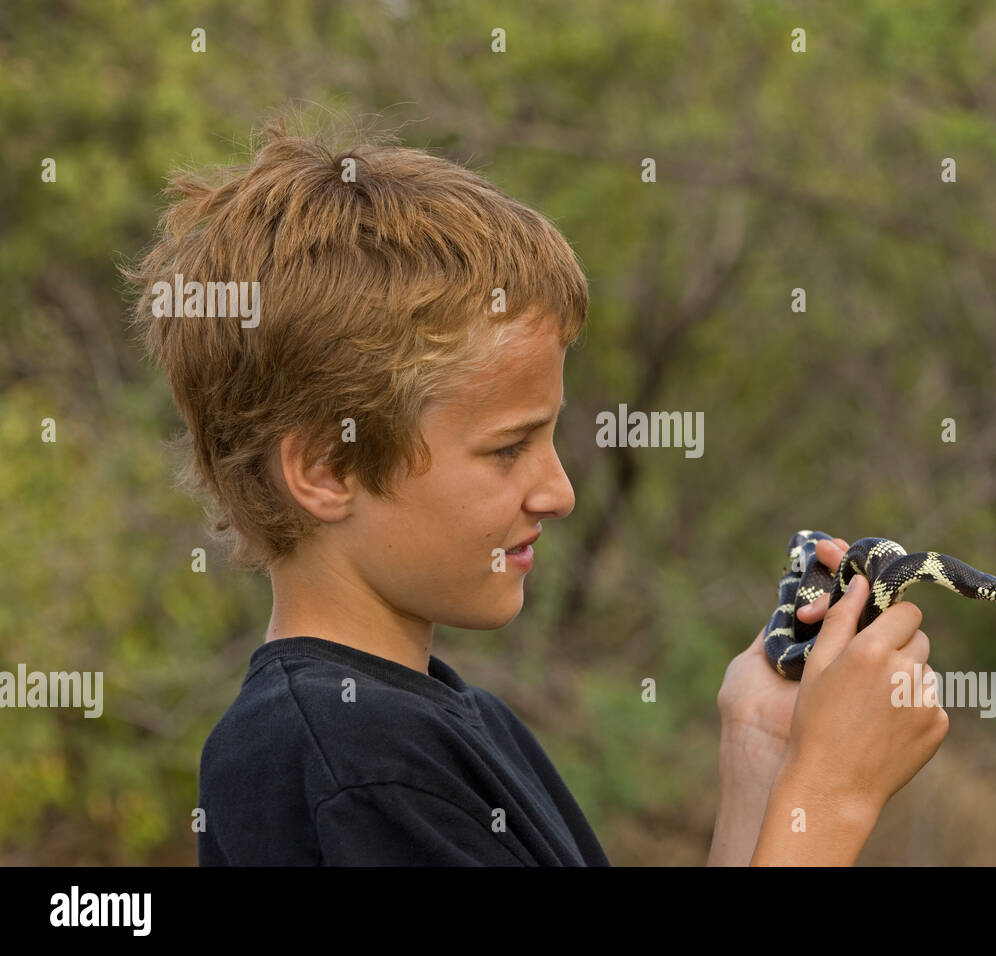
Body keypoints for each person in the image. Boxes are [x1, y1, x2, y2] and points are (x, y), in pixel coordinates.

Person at [122, 112, 945, 866]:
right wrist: (831, 800)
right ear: (327, 469)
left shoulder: (450, 728)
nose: (559, 492)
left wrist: (767, 754)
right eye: (508, 448)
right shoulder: (351, 764)